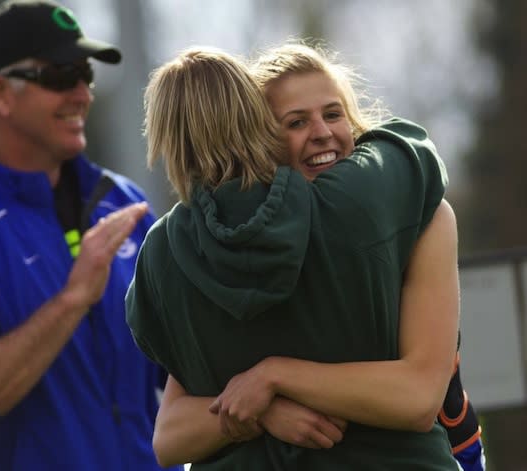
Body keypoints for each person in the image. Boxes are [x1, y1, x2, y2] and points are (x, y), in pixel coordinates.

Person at [146, 41, 484, 471]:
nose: (322, 133)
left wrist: (273, 377)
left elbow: (419, 396)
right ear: (257, 140)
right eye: (296, 122)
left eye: (333, 113)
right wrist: (263, 412)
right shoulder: (217, 252)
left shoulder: (409, 214)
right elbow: (169, 435)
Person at [0, 1, 181, 470]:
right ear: (1, 94)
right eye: (60, 76)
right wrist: (72, 300)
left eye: (86, 75)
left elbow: (180, 366)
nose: (82, 94)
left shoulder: (120, 202)